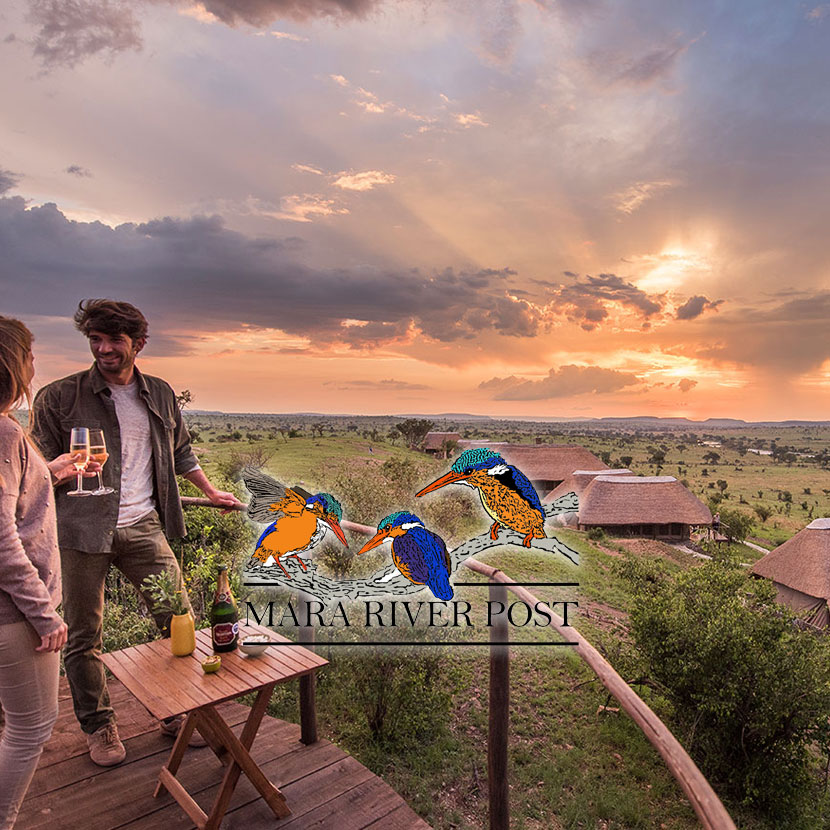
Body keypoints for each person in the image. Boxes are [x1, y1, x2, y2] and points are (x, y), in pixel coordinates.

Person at [30, 300, 243, 767]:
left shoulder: (161, 395)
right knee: (85, 635)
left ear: (138, 344)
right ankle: (100, 726)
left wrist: (211, 490)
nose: (103, 349)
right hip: (81, 530)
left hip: (145, 524)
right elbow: (33, 473)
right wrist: (59, 470)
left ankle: (178, 710)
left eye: (114, 341)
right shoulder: (58, 397)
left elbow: (181, 453)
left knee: (179, 619)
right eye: (95, 340)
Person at [0, 317, 95, 829]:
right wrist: (44, 615)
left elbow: (12, 505)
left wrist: (52, 471)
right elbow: (0, 540)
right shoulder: (4, 431)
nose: (35, 365)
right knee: (31, 728)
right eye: (30, 355)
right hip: (14, 615)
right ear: (13, 365)